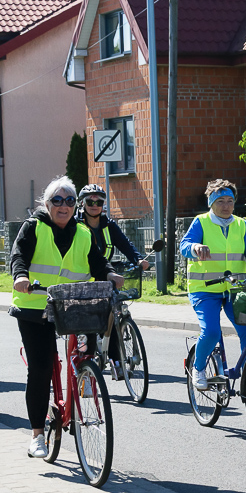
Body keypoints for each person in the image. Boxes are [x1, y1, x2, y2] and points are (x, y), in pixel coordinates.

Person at [9, 176, 124, 458]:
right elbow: (18, 256)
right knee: (41, 367)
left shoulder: (83, 233)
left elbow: (97, 262)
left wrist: (110, 274)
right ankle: (37, 435)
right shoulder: (33, 227)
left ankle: (85, 374)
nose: (64, 206)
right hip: (35, 305)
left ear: (75, 205)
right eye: (58, 200)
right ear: (47, 204)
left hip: (72, 304)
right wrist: (21, 276)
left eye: (70, 200)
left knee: (86, 350)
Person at [180, 179, 246, 391]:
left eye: (230, 201)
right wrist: (195, 247)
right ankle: (198, 368)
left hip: (235, 289)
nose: (226, 206)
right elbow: (184, 245)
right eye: (220, 201)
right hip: (205, 290)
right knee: (212, 332)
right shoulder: (201, 222)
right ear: (211, 203)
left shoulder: (241, 225)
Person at [76, 183, 149, 378]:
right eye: (90, 201)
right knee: (89, 324)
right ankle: (86, 365)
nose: (94, 205)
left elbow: (125, 244)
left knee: (113, 314)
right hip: (82, 279)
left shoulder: (108, 225)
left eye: (99, 202)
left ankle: (116, 361)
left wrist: (138, 259)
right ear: (82, 203)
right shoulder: (75, 226)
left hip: (105, 275)